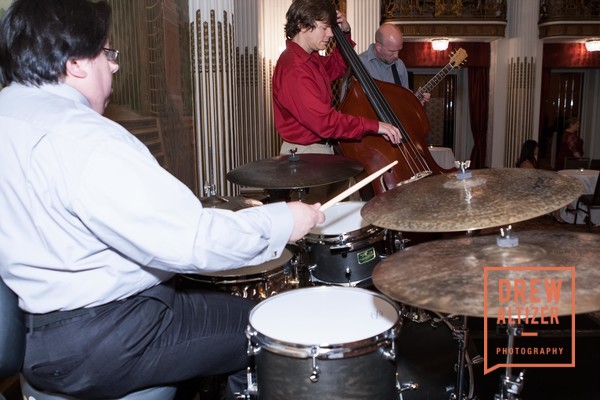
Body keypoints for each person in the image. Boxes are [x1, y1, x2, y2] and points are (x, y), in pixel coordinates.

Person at [0, 0, 324, 398]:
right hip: (111, 337)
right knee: (269, 328)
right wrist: (285, 220)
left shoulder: (8, 115)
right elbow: (192, 241)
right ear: (76, 64)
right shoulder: (83, 138)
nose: (114, 65)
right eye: (106, 52)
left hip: (38, 335)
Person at [272, 0, 402, 157]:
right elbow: (324, 122)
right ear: (302, 25)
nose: (331, 33)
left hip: (316, 149)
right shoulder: (294, 68)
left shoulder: (310, 59)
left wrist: (345, 33)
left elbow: (337, 67)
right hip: (306, 152)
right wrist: (375, 126)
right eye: (324, 28)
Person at [358, 23, 431, 104]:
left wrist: (416, 102)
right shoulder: (358, 64)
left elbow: (404, 103)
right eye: (392, 51)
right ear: (378, 47)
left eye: (399, 50)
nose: (396, 56)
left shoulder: (399, 65)